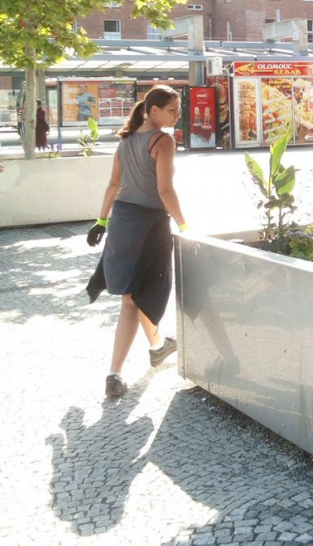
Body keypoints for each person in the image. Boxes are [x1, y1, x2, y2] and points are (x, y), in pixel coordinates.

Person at [85, 85, 189, 397]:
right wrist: (184, 224)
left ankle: (158, 347)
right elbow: (165, 190)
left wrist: (101, 221)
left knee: (136, 294)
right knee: (132, 298)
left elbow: (114, 183)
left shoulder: (126, 140)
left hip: (122, 221)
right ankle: (114, 374)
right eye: (172, 109)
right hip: (150, 225)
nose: (178, 115)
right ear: (153, 110)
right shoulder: (163, 140)